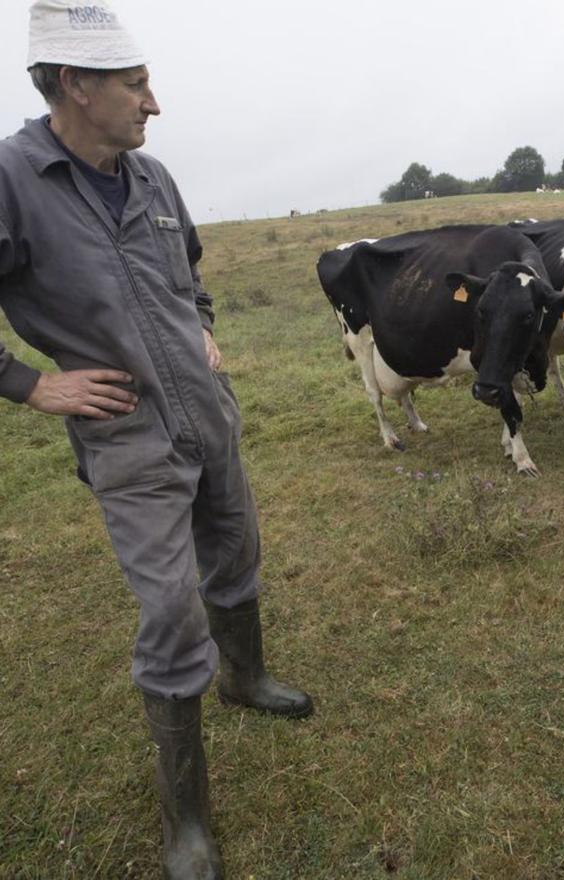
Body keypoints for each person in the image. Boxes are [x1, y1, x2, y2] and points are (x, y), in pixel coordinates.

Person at [0, 3, 313, 877]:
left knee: (236, 549)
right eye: (137, 85)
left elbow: (193, 278)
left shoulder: (154, 177)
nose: (154, 103)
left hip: (207, 411)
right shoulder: (11, 178)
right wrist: (32, 384)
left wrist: (203, 329)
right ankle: (188, 825)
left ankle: (245, 678)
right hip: (126, 433)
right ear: (75, 85)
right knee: (171, 611)